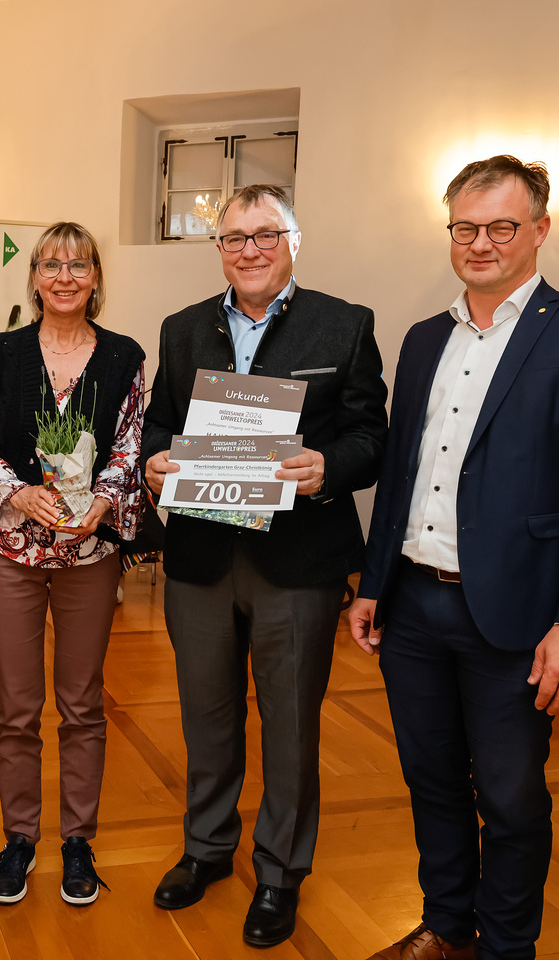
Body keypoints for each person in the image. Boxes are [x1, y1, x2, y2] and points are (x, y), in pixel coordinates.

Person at [349, 155, 559, 960]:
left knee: (512, 802)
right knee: (431, 781)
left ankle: (506, 950)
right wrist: (374, 584)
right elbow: (402, 473)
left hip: (519, 618)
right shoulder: (423, 339)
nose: (480, 243)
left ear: (540, 230)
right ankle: (446, 929)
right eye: (466, 228)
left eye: (502, 227)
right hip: (414, 607)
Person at [142, 184, 388, 947]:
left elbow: (372, 437)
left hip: (298, 560)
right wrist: (154, 461)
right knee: (205, 715)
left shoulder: (344, 325)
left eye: (265, 235)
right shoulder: (182, 329)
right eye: (234, 237)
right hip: (201, 557)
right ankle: (207, 849)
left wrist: (329, 467)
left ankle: (280, 872)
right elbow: (158, 423)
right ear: (219, 249)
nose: (249, 250)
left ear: (291, 243)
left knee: (290, 725)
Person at [0, 221, 146, 907]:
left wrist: (104, 499)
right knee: (16, 706)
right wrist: (19, 494)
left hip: (90, 554)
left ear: (96, 277)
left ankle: (77, 841)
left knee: (82, 703)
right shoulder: (0, 352)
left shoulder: (125, 356)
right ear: (34, 276)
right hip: (12, 552)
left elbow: (130, 447)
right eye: (52, 264)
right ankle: (19, 838)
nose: (65, 276)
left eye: (79, 264)